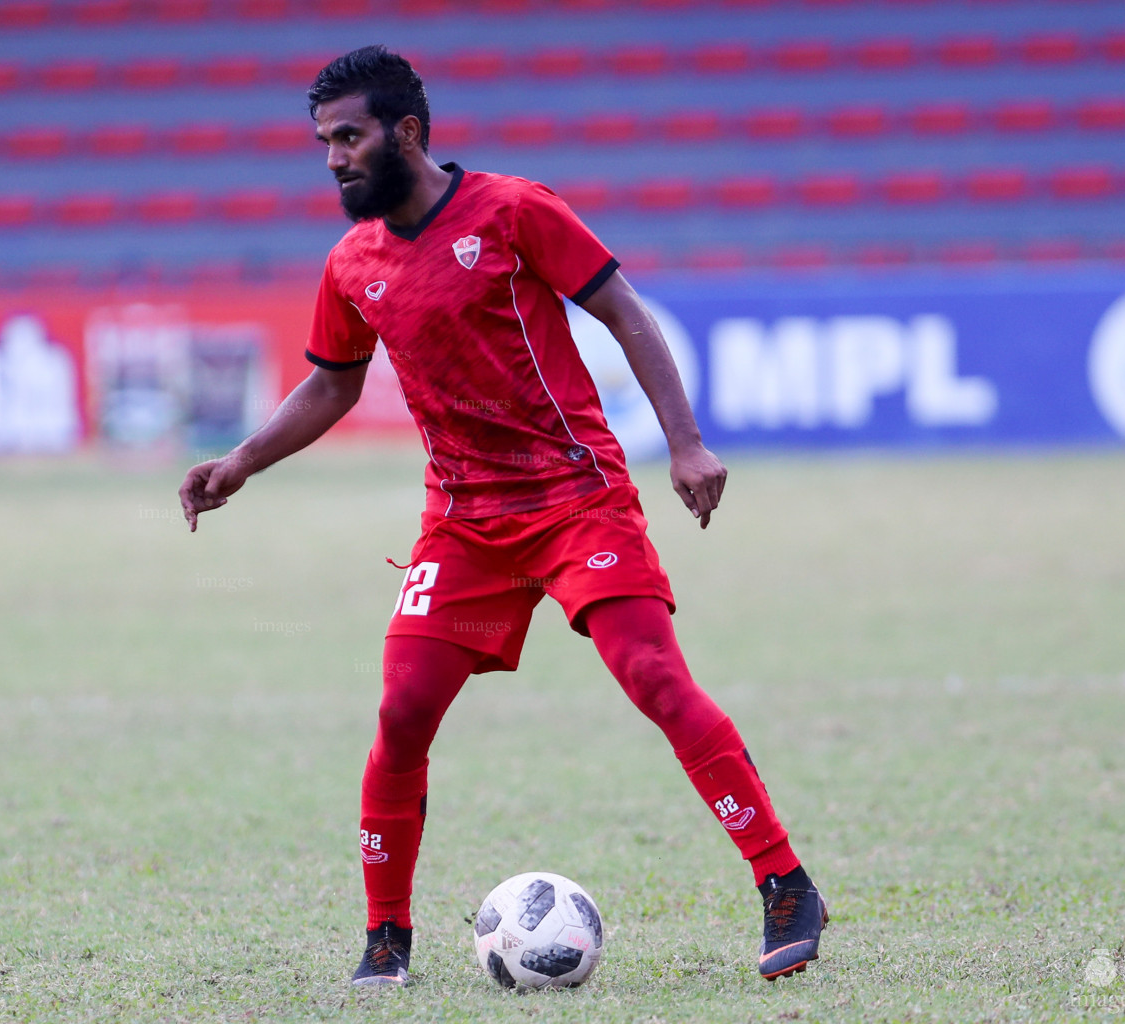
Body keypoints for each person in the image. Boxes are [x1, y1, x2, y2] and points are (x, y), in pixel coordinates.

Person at [178, 46, 827, 987]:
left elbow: (623, 311)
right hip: (464, 525)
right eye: (323, 142)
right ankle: (386, 937)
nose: (332, 159)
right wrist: (240, 462)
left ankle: (784, 883)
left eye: (348, 137)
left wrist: (684, 444)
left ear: (405, 132)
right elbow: (331, 384)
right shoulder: (353, 261)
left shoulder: (512, 211)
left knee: (650, 674)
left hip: (573, 502)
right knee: (402, 711)